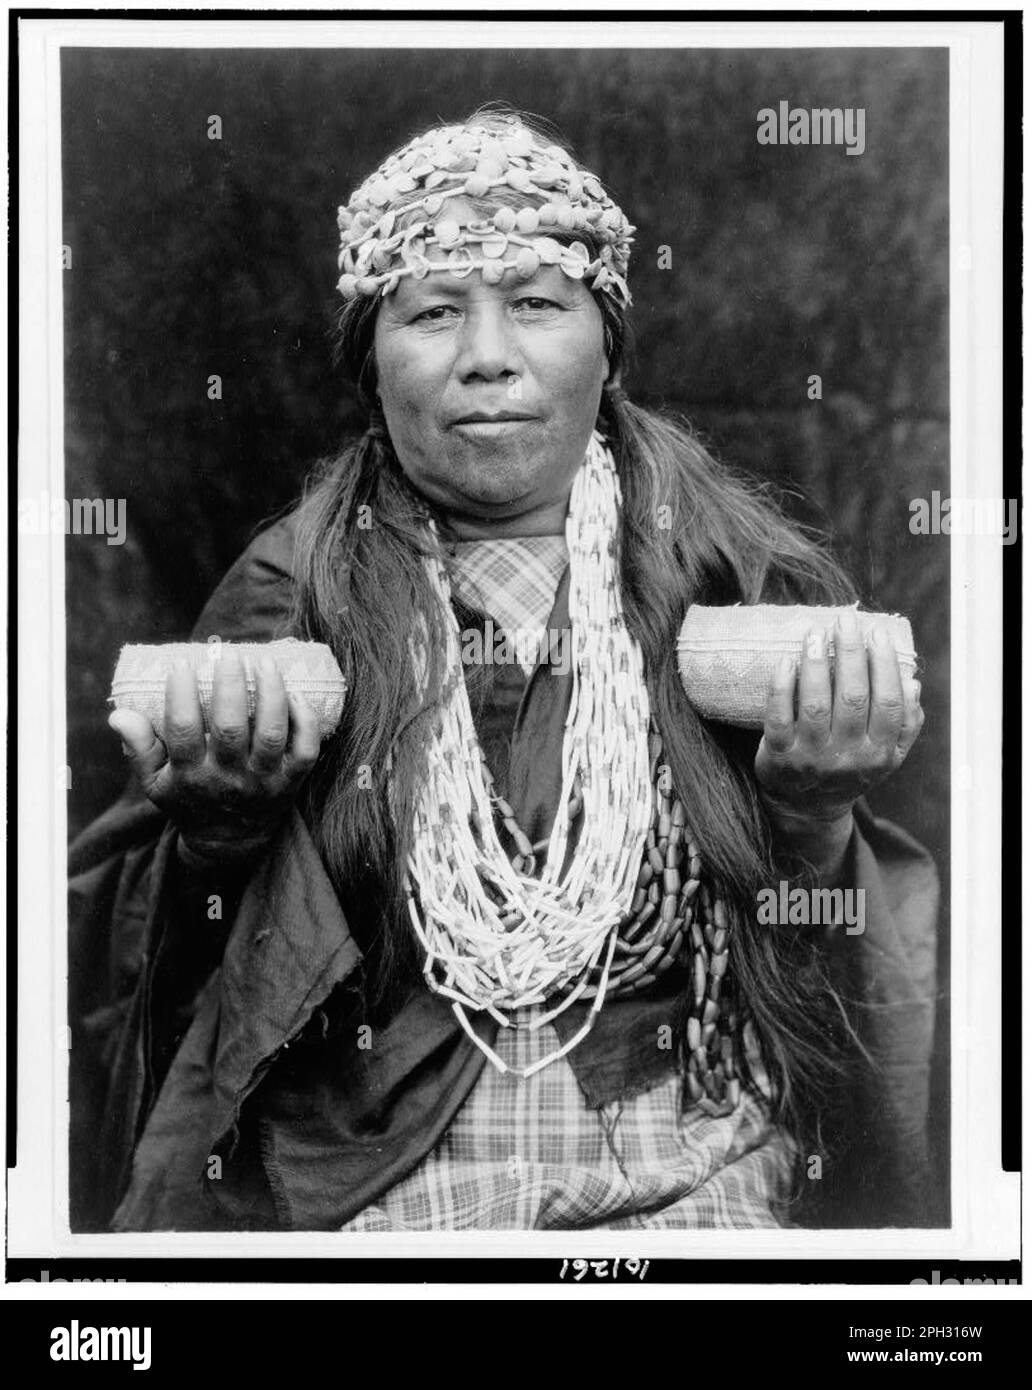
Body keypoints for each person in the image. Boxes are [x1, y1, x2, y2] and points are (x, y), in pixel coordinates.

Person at [69, 109, 939, 1233]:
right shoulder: (291, 592)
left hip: (691, 1162)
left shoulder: (731, 571)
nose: (488, 353)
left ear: (607, 342)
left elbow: (819, 940)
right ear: (369, 363)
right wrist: (221, 839)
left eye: (536, 301)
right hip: (377, 1182)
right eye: (433, 311)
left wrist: (810, 815)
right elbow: (160, 962)